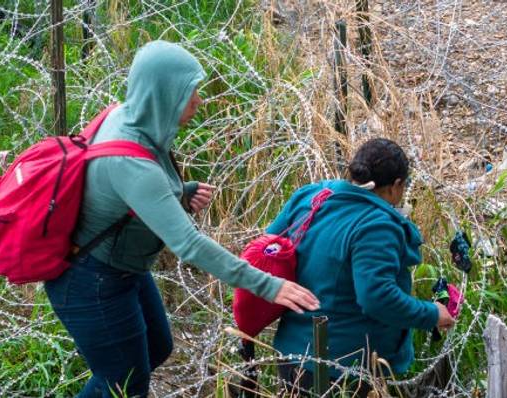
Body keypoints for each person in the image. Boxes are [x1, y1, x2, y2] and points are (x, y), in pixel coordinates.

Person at [45, 40, 320, 398]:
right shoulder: (132, 164)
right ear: (164, 95)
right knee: (124, 382)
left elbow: (131, 194)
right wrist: (269, 285)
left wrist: (179, 194)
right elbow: (188, 245)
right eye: (190, 92)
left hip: (120, 268)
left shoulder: (131, 116)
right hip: (91, 280)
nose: (198, 101)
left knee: (156, 350)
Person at [268, 138, 457, 396]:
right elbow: (377, 297)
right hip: (342, 369)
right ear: (397, 185)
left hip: (292, 353)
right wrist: (431, 314)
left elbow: (267, 250)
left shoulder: (312, 196)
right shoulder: (376, 226)